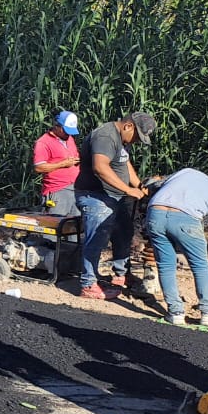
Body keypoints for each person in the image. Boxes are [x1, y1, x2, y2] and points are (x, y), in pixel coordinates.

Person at [72, 111, 157, 299]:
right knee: (96, 239)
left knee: (124, 232)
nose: (136, 141)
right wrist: (129, 191)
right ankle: (88, 284)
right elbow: (100, 167)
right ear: (128, 126)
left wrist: (139, 186)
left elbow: (125, 164)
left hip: (113, 197)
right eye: (136, 136)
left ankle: (121, 274)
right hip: (95, 196)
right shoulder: (105, 136)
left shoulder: (120, 140)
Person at [143, 168, 208, 326]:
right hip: (186, 217)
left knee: (165, 265)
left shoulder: (186, 173)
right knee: (200, 265)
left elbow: (154, 184)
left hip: (155, 213)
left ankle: (175, 313)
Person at [32, 110, 81, 216]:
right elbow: (38, 167)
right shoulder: (43, 142)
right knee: (54, 225)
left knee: (73, 227)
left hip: (75, 188)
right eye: (66, 130)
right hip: (57, 190)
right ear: (57, 126)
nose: (68, 134)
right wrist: (62, 164)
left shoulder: (69, 139)